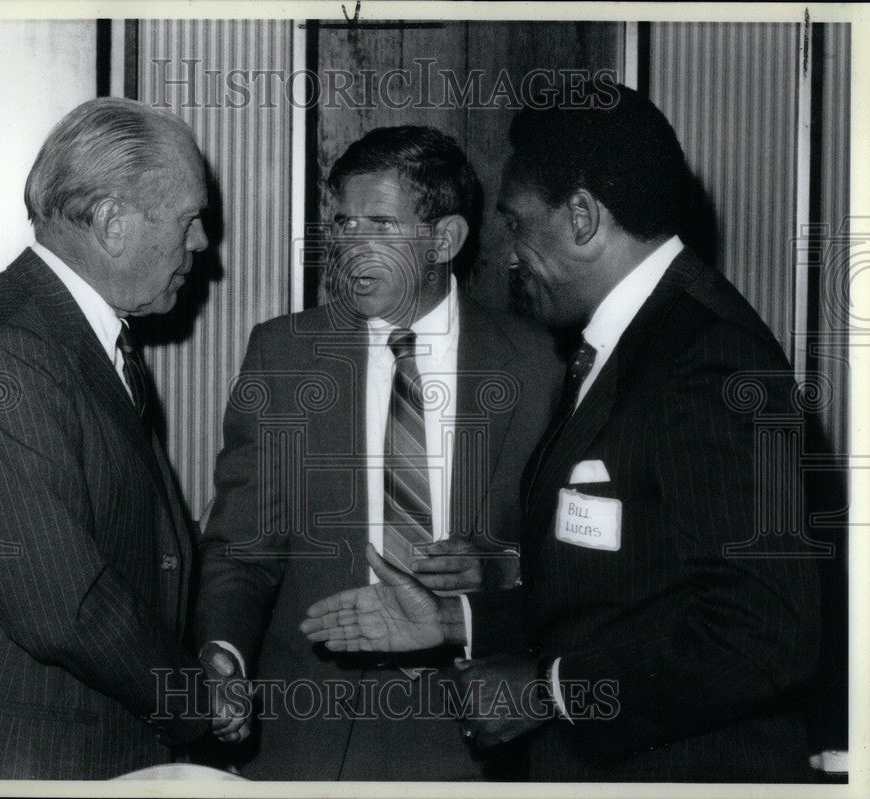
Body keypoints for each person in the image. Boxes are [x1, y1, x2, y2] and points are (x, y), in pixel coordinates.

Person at [302, 84, 822, 782]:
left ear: (581, 217)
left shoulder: (706, 357)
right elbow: (626, 591)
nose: (510, 258)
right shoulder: (628, 342)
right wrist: (458, 621)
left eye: (517, 225)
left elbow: (764, 632)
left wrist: (549, 690)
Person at [0, 97, 240, 779]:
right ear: (113, 223)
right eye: (189, 218)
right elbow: (64, 603)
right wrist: (195, 696)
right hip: (12, 762)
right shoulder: (8, 354)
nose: (201, 242)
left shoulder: (69, 339)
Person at [194, 126, 562, 780]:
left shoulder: (539, 365)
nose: (351, 248)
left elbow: (582, 571)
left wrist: (502, 573)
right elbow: (242, 547)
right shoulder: (283, 354)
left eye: (381, 225)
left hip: (473, 734)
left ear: (444, 239)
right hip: (305, 734)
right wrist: (223, 653)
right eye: (343, 224)